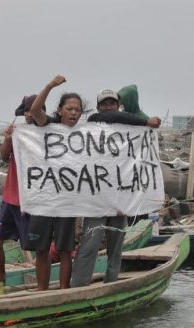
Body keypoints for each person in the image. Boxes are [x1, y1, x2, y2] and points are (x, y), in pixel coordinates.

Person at [70, 89, 161, 287]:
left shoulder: (129, 128)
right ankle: (78, 286)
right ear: (98, 107)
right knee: (89, 245)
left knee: (116, 247)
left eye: (112, 103)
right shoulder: (95, 121)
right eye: (104, 103)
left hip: (121, 198)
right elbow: (113, 116)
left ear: (119, 105)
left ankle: (112, 285)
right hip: (97, 199)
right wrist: (145, 122)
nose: (108, 107)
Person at [27, 75, 83, 290]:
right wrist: (50, 85)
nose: (73, 113)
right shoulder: (48, 126)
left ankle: (63, 291)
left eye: (77, 109)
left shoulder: (84, 134)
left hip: (67, 200)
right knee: (41, 248)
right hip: (43, 197)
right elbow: (34, 111)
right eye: (69, 108)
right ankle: (42, 291)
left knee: (65, 248)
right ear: (60, 110)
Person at [0, 95, 41, 282]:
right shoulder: (19, 132)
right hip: (10, 198)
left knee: (37, 245)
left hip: (32, 200)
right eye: (26, 111)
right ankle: (1, 277)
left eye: (32, 110)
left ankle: (41, 278)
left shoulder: (47, 134)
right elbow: (4, 157)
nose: (28, 114)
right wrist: (8, 139)